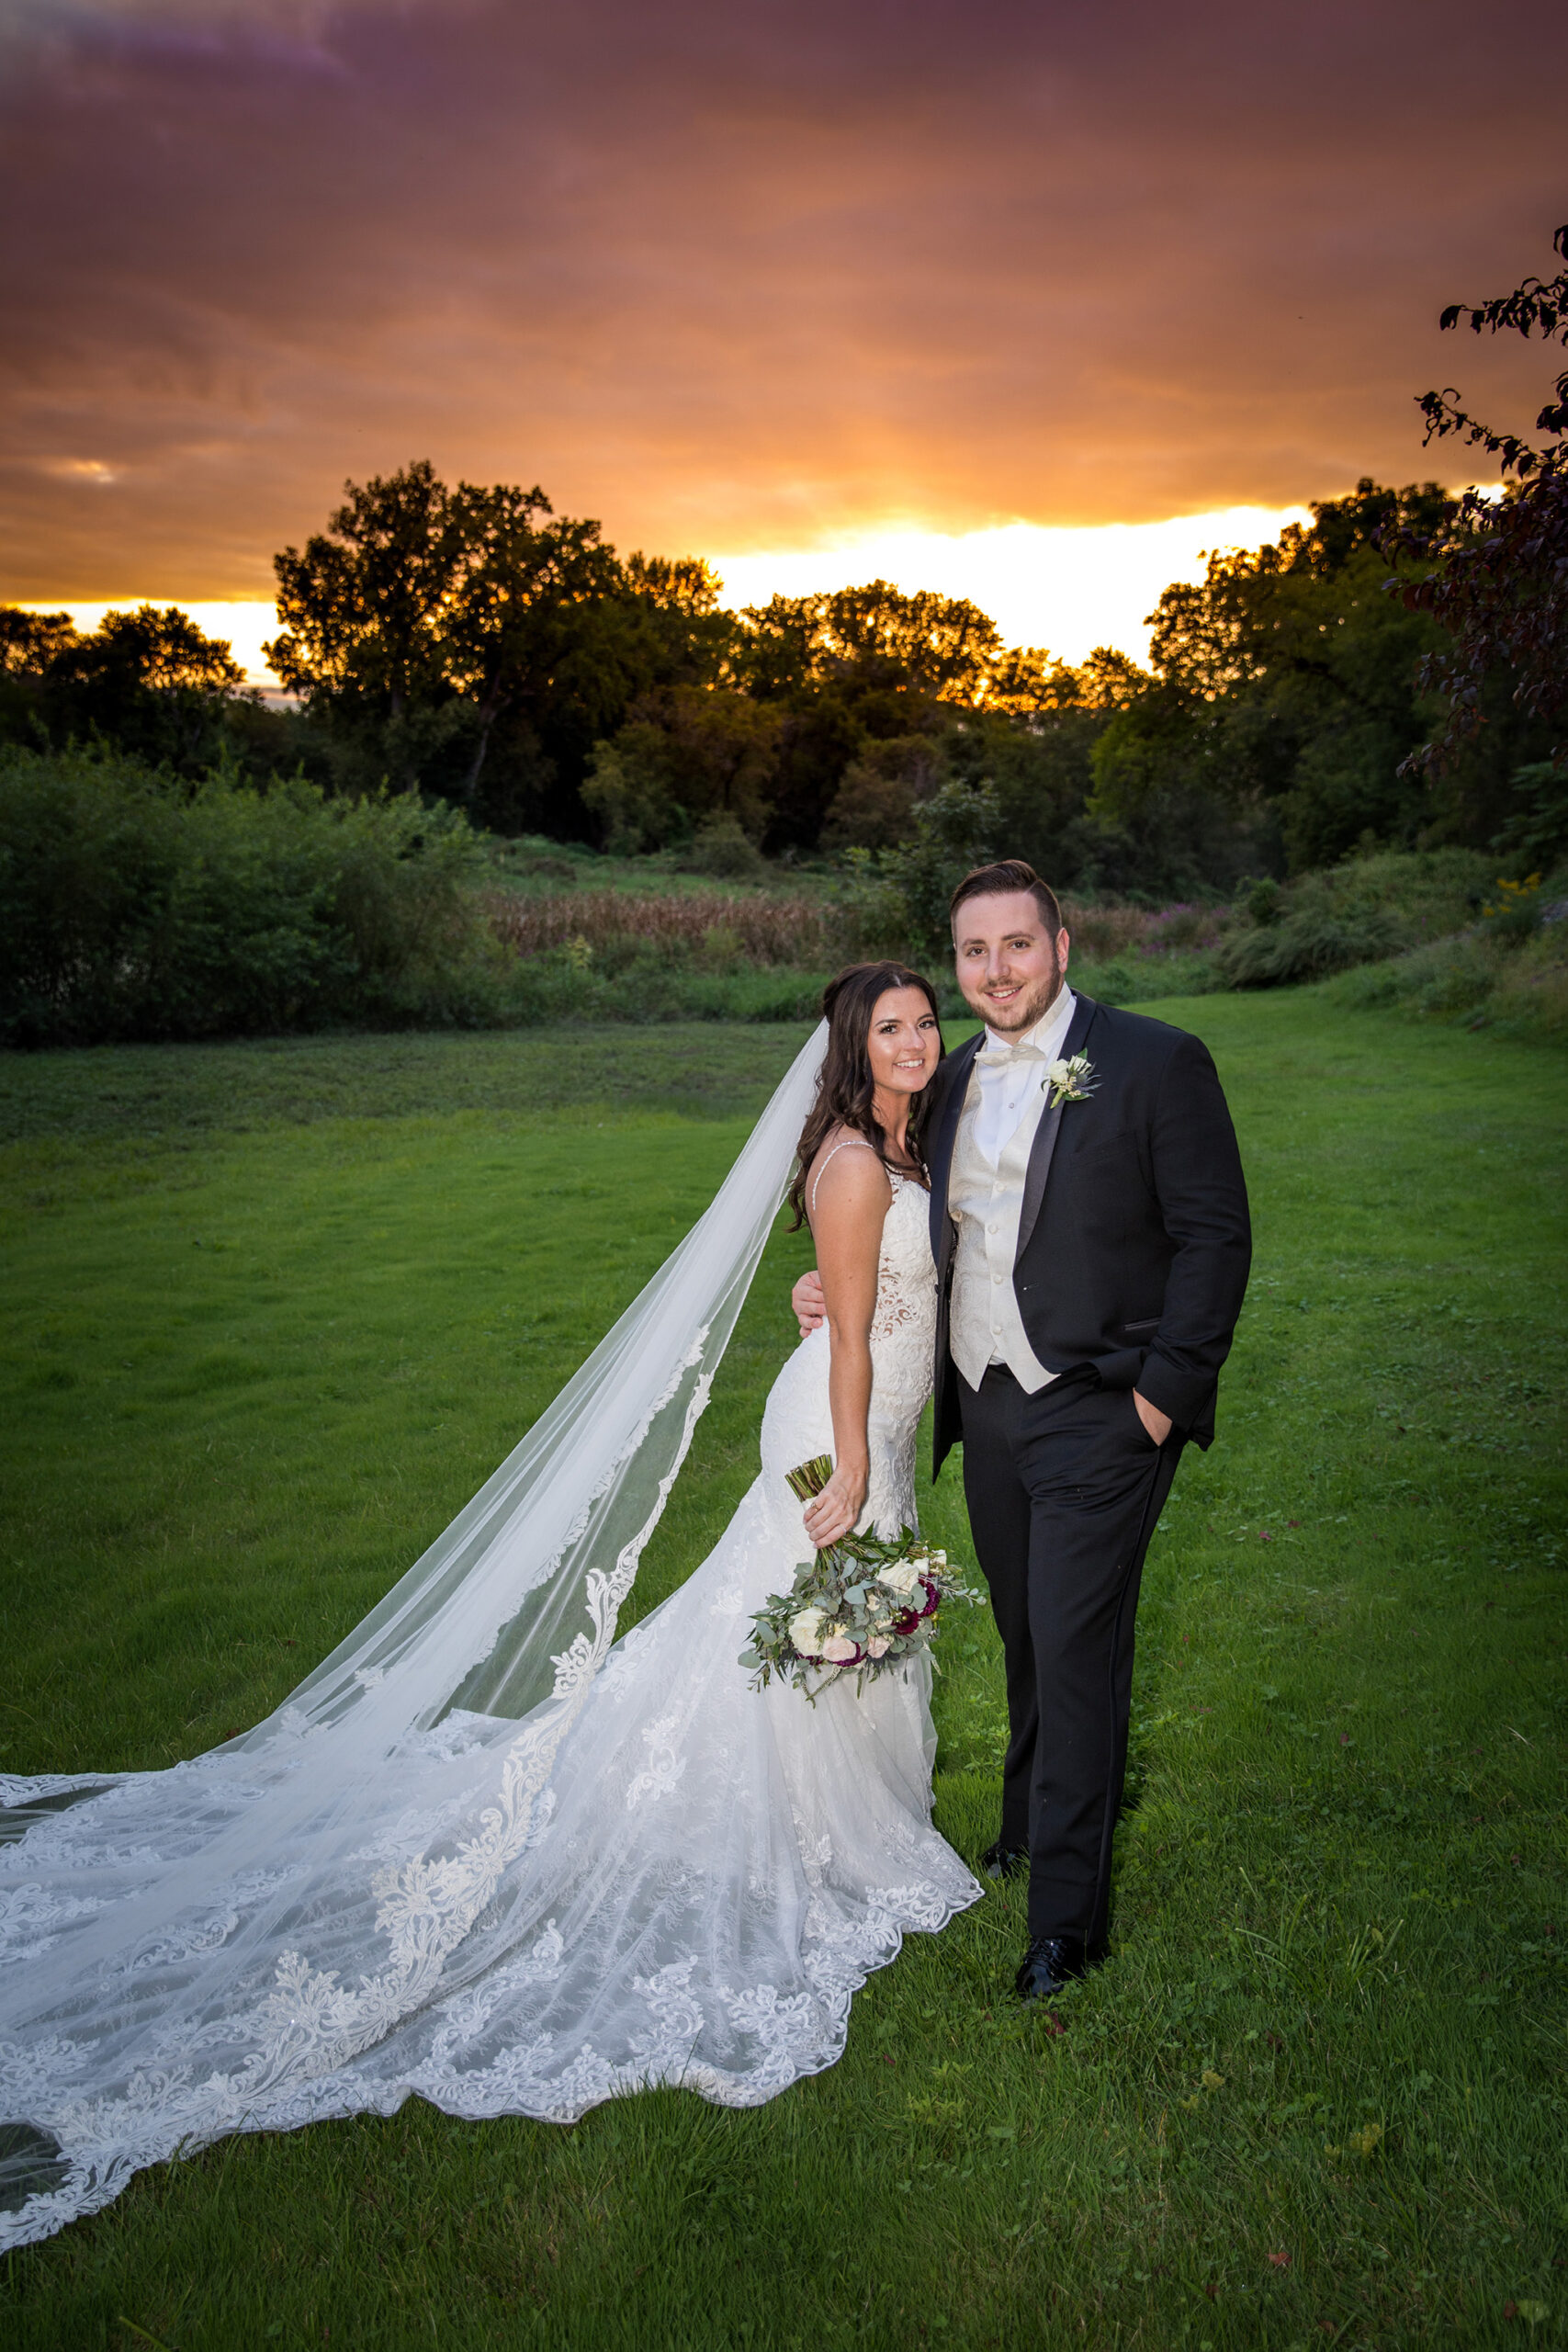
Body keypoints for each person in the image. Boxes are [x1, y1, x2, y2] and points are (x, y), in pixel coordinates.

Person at [0, 963, 978, 2253]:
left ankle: (830, 1811)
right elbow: (847, 1331)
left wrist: (861, 1392)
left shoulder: (907, 1143)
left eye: (922, 1021)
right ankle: (785, 1826)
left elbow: (859, 1295)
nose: (914, 1041)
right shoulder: (854, 1164)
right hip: (833, 1428)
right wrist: (848, 1466)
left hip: (878, 1425)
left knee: (812, 1630)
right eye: (889, 1028)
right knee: (799, 1623)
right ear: (849, 1051)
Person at [794, 861, 1251, 2002]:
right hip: (985, 1407)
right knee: (1029, 1641)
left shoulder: (1155, 1061)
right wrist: (826, 1291)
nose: (996, 971)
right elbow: (893, 1210)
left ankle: (1067, 1924)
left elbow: (1215, 1239)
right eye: (973, 953)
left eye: (1017, 945)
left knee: (1078, 1648)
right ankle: (1019, 1827)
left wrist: (1160, 1396)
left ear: (1063, 942)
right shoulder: (945, 1083)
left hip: (1105, 1407)